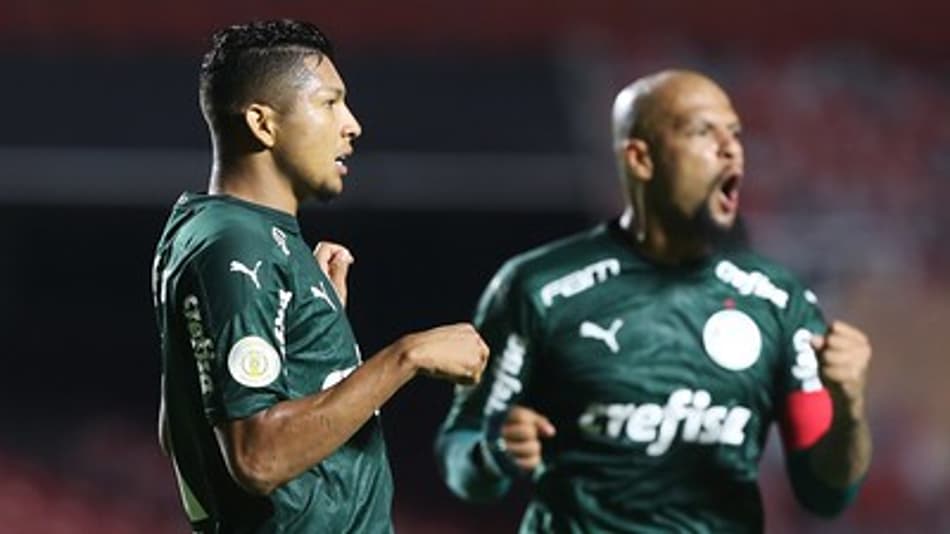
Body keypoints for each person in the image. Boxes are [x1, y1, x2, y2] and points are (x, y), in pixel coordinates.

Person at [435, 70, 872, 532]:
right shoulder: (538, 286)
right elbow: (461, 455)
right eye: (703, 131)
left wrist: (848, 408)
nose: (731, 148)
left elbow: (825, 493)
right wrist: (493, 453)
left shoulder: (779, 300)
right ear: (641, 159)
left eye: (735, 133)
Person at [151, 19, 488, 534]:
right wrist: (408, 356)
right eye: (330, 103)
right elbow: (256, 458)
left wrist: (305, 346)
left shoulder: (214, 230)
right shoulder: (237, 246)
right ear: (263, 124)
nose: (352, 125)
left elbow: (179, 426)